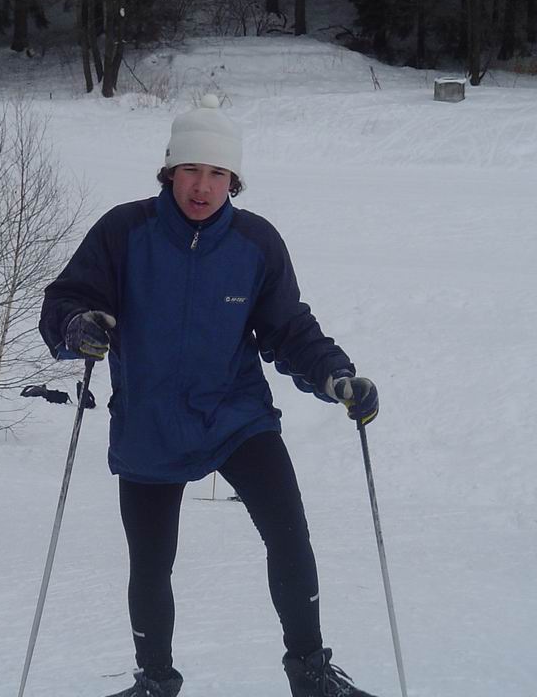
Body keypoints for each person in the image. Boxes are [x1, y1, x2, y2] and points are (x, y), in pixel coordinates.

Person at [39, 95, 381, 697]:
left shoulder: (255, 243)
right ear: (170, 171)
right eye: (191, 170)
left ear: (233, 180)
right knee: (151, 562)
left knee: (289, 535)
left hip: (235, 415)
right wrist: (77, 326)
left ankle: (310, 673)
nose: (203, 186)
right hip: (149, 422)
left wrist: (336, 376)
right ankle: (155, 682)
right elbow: (65, 299)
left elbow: (288, 328)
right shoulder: (124, 231)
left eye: (218, 173)